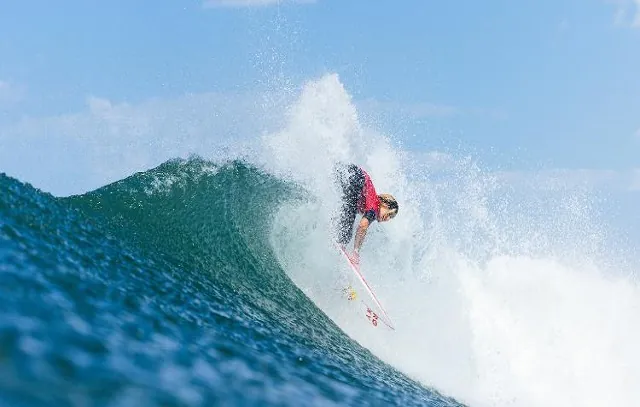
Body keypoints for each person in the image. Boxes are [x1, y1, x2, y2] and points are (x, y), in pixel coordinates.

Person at [334, 163, 398, 265]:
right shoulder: (374, 207)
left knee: (345, 214)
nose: (388, 219)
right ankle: (338, 242)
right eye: (390, 214)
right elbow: (362, 226)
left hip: (347, 172)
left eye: (391, 218)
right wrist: (356, 252)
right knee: (344, 236)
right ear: (385, 204)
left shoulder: (367, 200)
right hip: (355, 178)